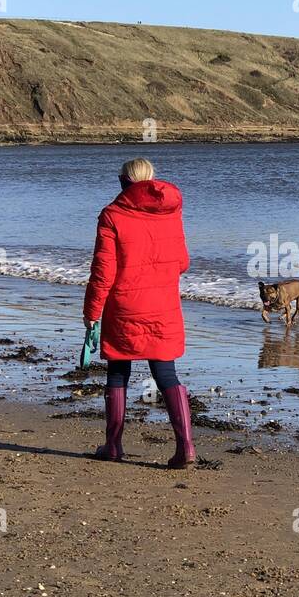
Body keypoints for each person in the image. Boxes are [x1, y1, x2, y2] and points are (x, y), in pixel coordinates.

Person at [83, 156, 195, 468]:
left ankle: (114, 444)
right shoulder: (172, 211)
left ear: (124, 182)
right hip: (164, 304)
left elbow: (103, 272)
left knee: (118, 372)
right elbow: (183, 261)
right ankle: (185, 446)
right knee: (166, 373)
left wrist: (91, 312)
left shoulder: (112, 215)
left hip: (125, 304)